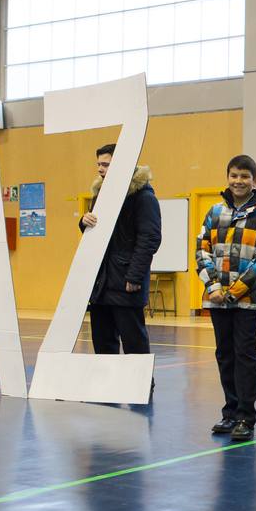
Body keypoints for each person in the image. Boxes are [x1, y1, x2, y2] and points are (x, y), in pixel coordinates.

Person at [196, 155, 256, 442]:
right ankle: (229, 412)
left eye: (245, 176)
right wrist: (213, 286)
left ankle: (246, 416)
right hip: (217, 299)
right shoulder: (214, 212)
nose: (238, 181)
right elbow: (202, 250)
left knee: (245, 355)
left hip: (247, 301)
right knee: (224, 355)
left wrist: (234, 291)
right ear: (227, 177)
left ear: (254, 180)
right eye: (234, 175)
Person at [80, 143, 162, 358]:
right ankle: (108, 388)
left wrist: (134, 275)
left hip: (127, 282)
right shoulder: (100, 196)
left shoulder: (143, 198)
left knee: (134, 343)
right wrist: (84, 222)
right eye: (98, 164)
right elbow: (96, 234)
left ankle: (142, 387)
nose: (99, 169)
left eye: (105, 164)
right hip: (101, 284)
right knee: (103, 343)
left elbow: (150, 239)